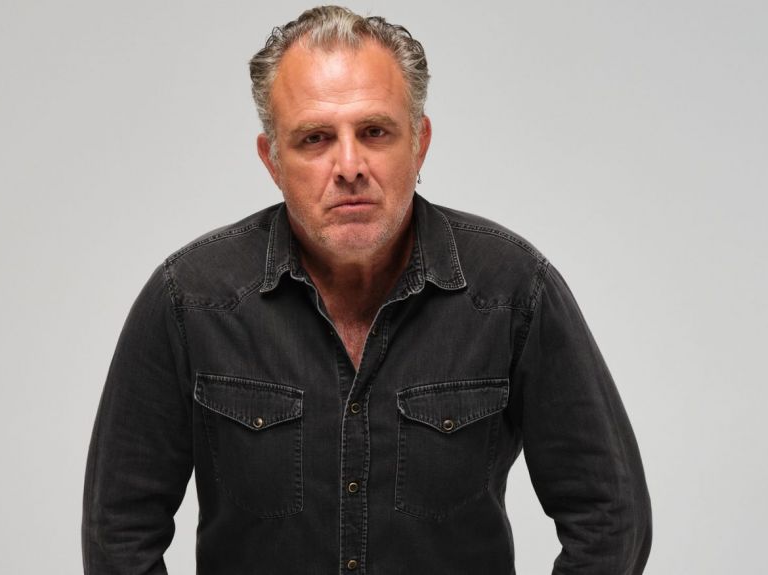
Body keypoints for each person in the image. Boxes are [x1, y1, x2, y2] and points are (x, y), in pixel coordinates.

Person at [82, 5, 652, 574]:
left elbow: (610, 515)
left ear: (420, 142)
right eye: (315, 138)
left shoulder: (512, 291)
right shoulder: (191, 300)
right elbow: (118, 531)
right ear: (272, 159)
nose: (349, 165)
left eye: (375, 132)